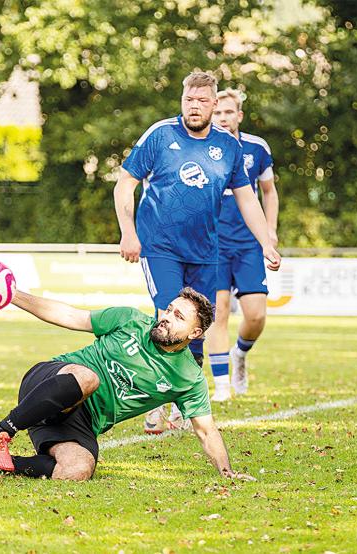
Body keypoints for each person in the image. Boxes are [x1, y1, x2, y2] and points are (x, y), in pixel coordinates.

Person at [112, 71, 281, 433]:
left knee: (196, 329)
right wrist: (128, 231)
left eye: (202, 101)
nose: (194, 106)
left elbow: (247, 198)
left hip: (205, 251)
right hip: (160, 246)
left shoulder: (229, 147)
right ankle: (154, 400)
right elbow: (125, 182)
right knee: (169, 317)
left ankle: (181, 403)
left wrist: (266, 241)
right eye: (188, 100)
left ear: (214, 104)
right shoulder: (161, 134)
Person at [0, 287, 254, 482]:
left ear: (195, 333)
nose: (166, 318)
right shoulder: (129, 320)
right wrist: (12, 295)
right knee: (89, 378)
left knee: (78, 469)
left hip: (79, 419)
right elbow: (69, 315)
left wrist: (226, 471)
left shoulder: (188, 377)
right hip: (50, 383)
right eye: (168, 310)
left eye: (178, 317)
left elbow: (206, 430)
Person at [208, 89, 279, 401]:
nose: (223, 118)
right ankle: (222, 386)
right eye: (218, 113)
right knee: (218, 312)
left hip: (248, 242)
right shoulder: (202, 147)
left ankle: (239, 354)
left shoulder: (256, 148)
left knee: (256, 316)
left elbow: (269, 192)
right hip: (213, 243)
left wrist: (270, 231)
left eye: (228, 112)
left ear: (239, 115)